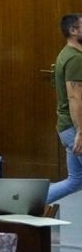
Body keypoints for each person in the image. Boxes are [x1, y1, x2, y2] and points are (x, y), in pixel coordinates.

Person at [49, 13, 82, 203]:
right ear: (73, 31)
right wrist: (80, 132)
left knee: (75, 181)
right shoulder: (75, 59)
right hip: (74, 128)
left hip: (67, 127)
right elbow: (74, 97)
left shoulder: (68, 54)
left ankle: (25, 205)